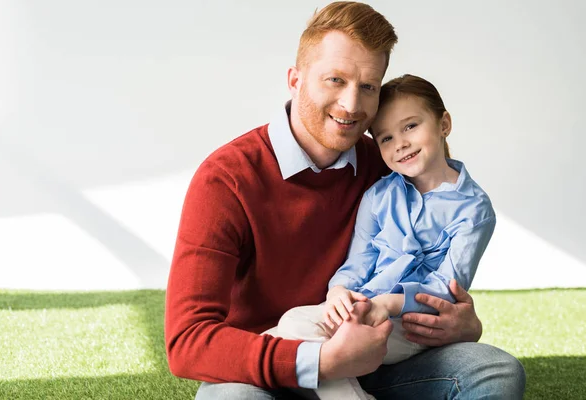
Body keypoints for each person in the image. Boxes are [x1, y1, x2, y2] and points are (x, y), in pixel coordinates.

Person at [165, 2, 526, 399]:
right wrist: (322, 363)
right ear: (295, 80)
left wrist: (464, 325)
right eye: (335, 80)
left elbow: (441, 249)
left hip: (373, 356)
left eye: (368, 86)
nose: (352, 105)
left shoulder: (388, 165)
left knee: (495, 372)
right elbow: (187, 342)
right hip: (264, 369)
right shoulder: (226, 179)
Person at [269, 74, 497, 400]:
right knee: (279, 334)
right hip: (362, 308)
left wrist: (387, 303)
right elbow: (359, 260)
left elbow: (448, 287)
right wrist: (338, 292)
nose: (400, 143)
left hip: (411, 322)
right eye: (386, 138)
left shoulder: (474, 209)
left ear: (443, 123)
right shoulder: (378, 195)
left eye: (410, 126)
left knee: (293, 331)